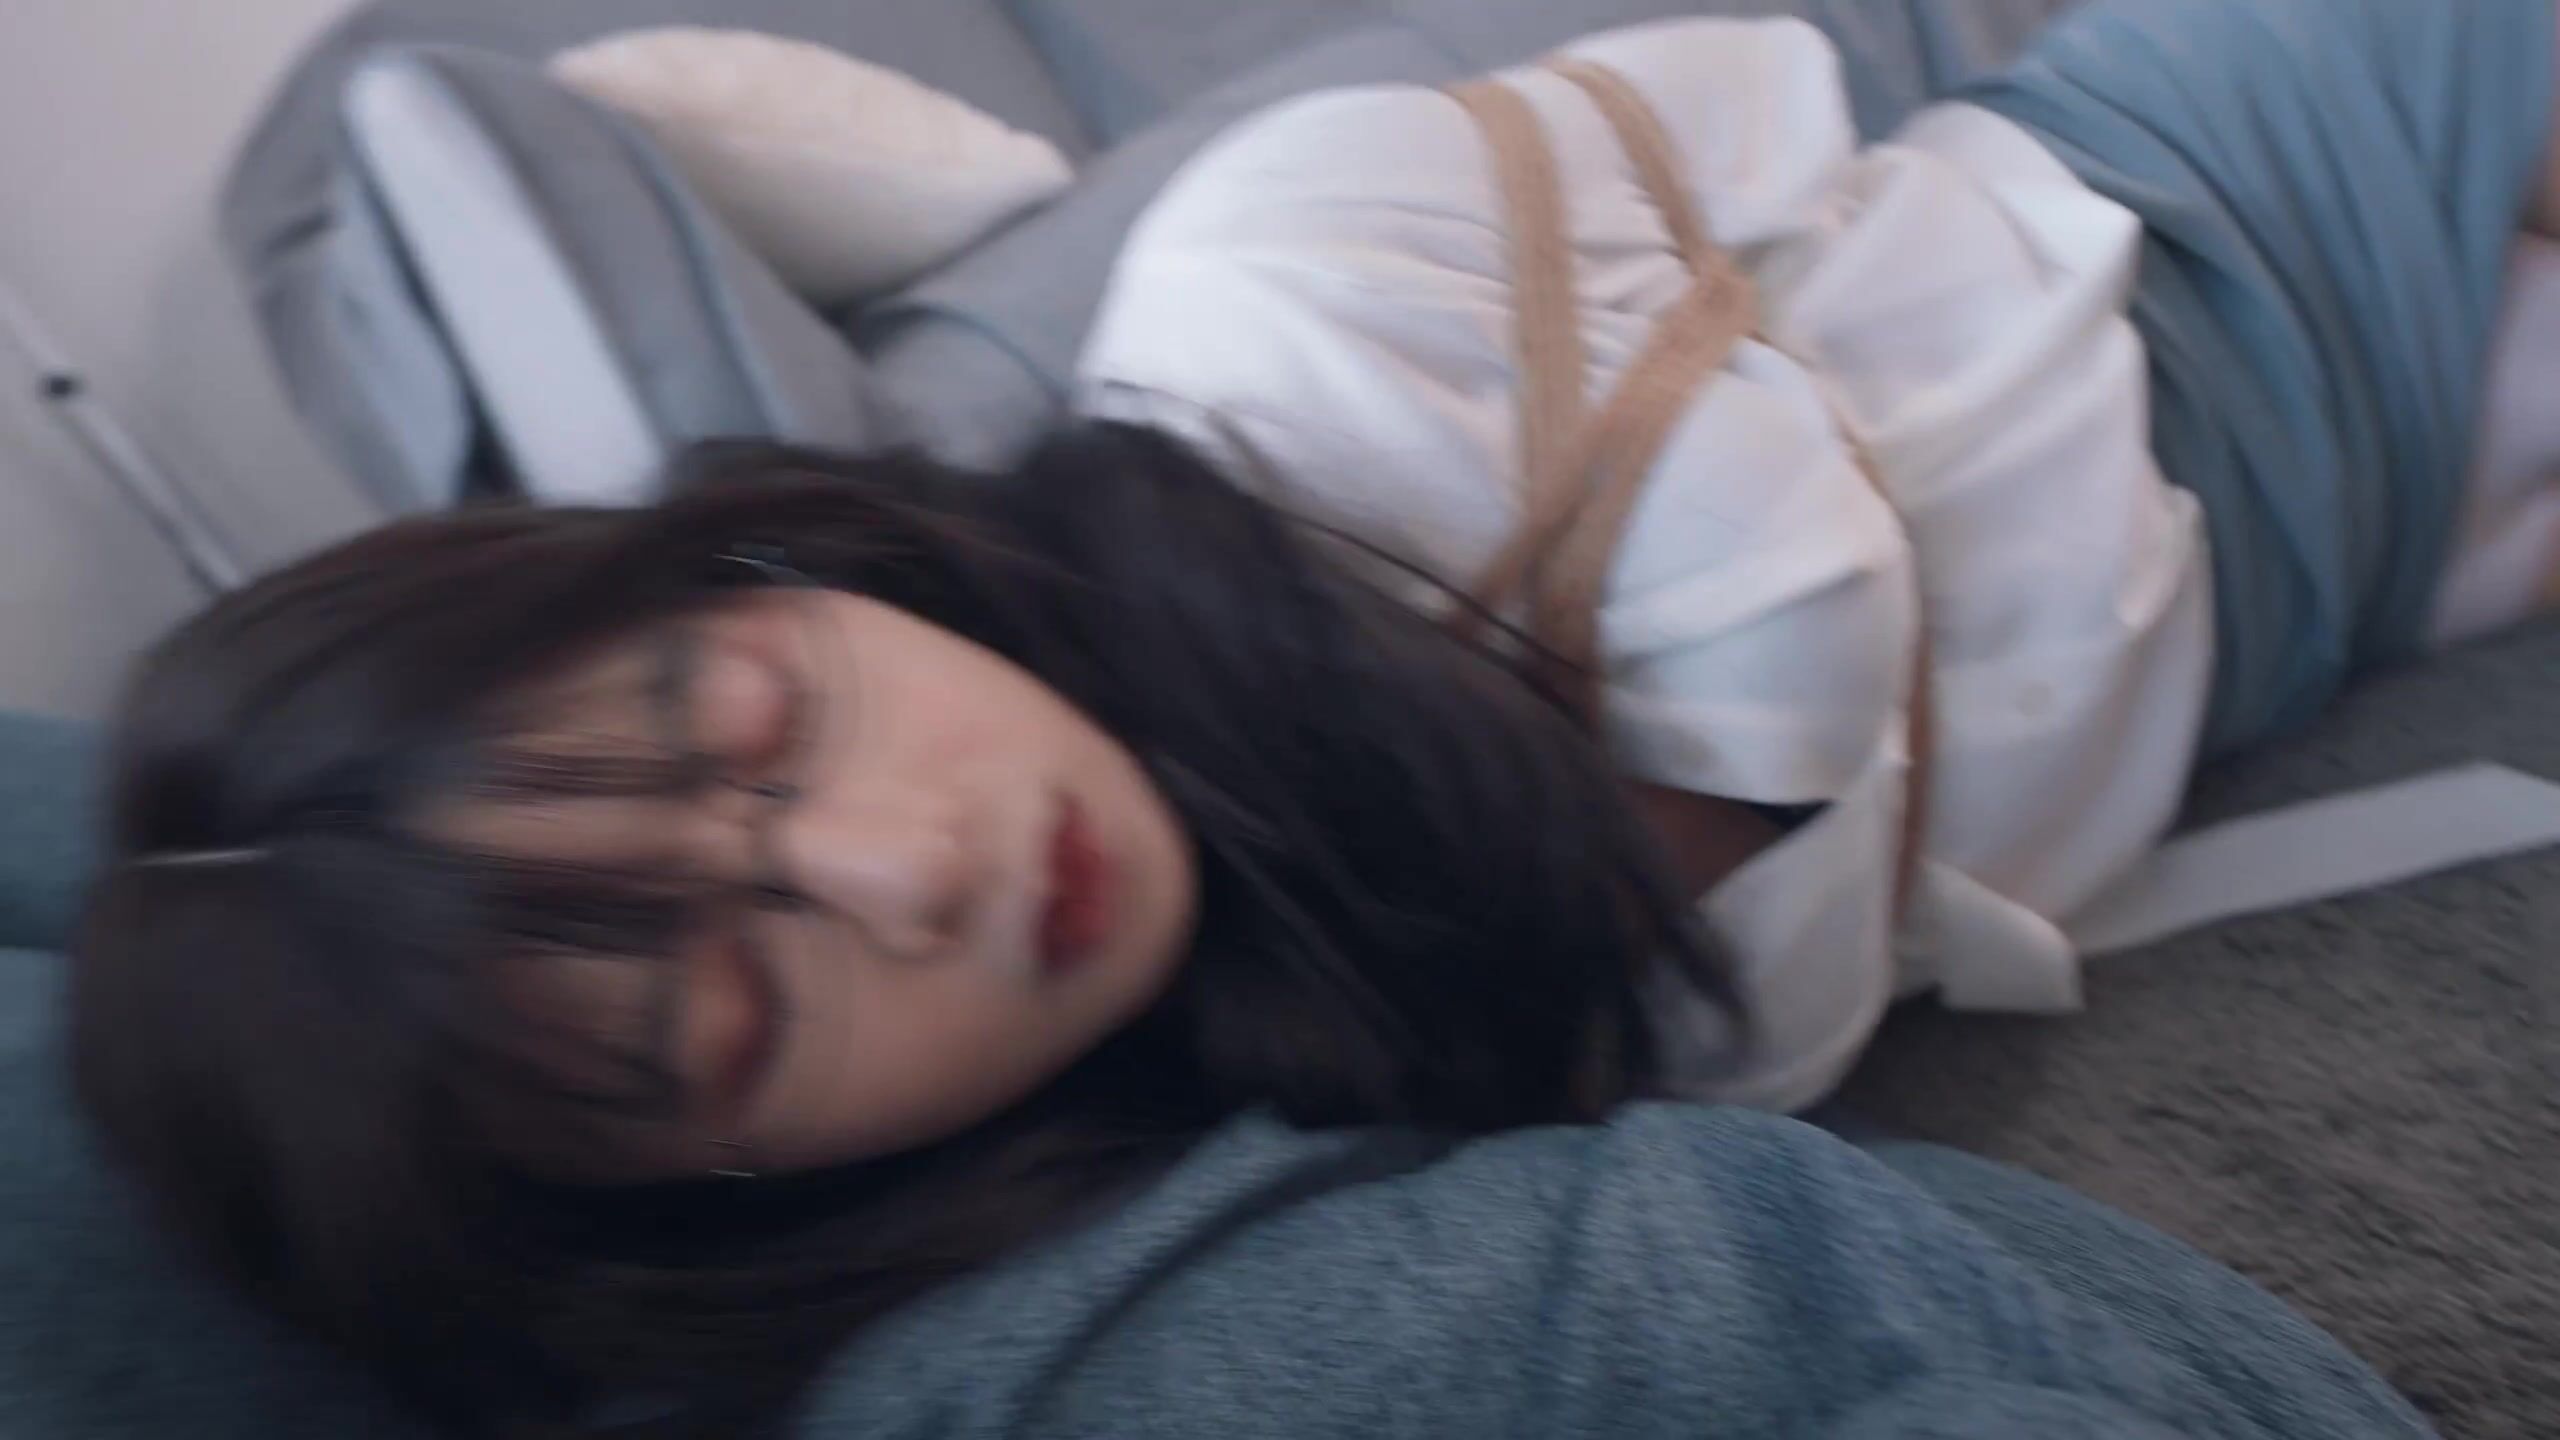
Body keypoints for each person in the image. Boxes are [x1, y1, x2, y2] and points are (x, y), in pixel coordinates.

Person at [64, 0, 2551, 1434]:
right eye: (734, 1015)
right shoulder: (1320, 1155)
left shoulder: (1287, 301)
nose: (907, 868)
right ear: (727, 1203)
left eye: (757, 722)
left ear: (771, 568)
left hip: (2231, 213)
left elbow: (1813, 94)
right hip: (2329, 597)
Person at [1078, 0, 2560, 1107]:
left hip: (2176, 197)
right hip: (2312, 593)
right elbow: (1775, 1021)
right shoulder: (1299, 1065)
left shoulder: (1252, 302)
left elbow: (1754, 98)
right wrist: (1693, 465)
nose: (945, 869)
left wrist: (1678, 744)